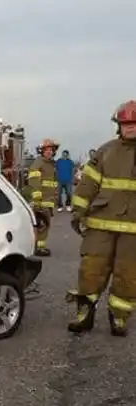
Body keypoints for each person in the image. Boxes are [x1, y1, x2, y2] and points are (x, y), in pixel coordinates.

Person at [67, 100, 136, 336]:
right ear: (118, 126)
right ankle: (84, 314)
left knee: (128, 275)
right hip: (100, 225)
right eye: (126, 124)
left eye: (134, 123)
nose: (131, 128)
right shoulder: (105, 152)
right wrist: (78, 211)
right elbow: (87, 185)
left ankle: (119, 318)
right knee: (91, 270)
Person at [26, 138, 59, 256]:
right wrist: (37, 198)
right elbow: (34, 180)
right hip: (41, 201)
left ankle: (39, 247)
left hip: (48, 200)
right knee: (42, 225)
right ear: (42, 151)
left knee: (44, 224)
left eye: (51, 150)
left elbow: (52, 183)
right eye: (47, 150)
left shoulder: (50, 164)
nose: (49, 152)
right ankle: (39, 248)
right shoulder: (39, 163)